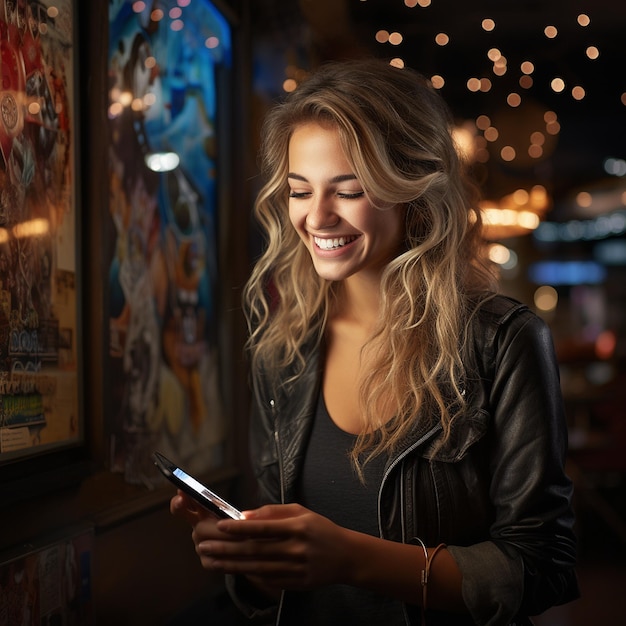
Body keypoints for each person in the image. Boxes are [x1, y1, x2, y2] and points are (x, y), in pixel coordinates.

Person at [170, 58, 579, 625]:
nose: (317, 217)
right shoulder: (281, 351)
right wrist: (250, 558)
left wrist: (352, 559)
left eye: (349, 189)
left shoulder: (502, 342)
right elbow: (280, 591)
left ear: (411, 188)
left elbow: (542, 568)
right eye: (298, 191)